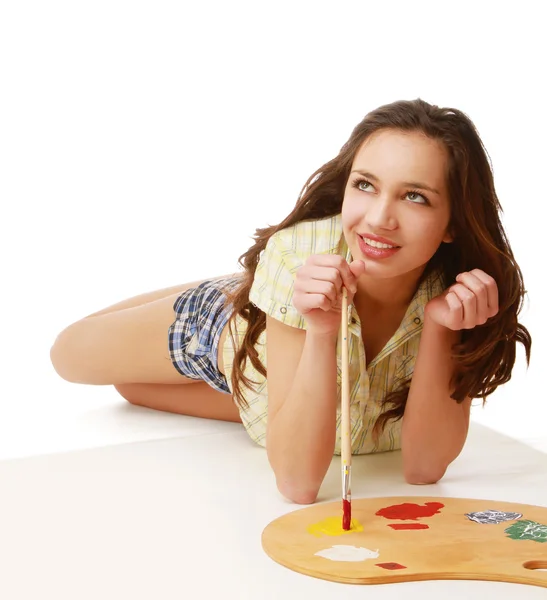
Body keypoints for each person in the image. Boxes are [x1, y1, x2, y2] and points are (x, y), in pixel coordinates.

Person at [50, 98, 532, 505]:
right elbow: (298, 486)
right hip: (234, 339)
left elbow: (424, 469)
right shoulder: (302, 256)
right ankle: (241, 291)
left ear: (453, 222)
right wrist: (319, 326)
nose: (380, 218)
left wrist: (441, 327)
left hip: (268, 394)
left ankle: (251, 287)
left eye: (415, 197)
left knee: (131, 390)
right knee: (70, 355)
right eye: (365, 185)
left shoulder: (464, 292)